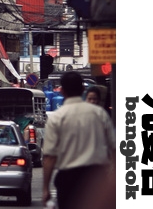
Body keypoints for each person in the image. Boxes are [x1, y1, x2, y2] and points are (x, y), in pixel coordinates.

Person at [42, 71, 115, 209]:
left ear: (62, 91)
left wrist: (45, 188)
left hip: (67, 180)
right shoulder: (99, 114)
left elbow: (49, 157)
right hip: (96, 179)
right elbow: (114, 149)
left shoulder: (57, 117)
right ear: (83, 89)